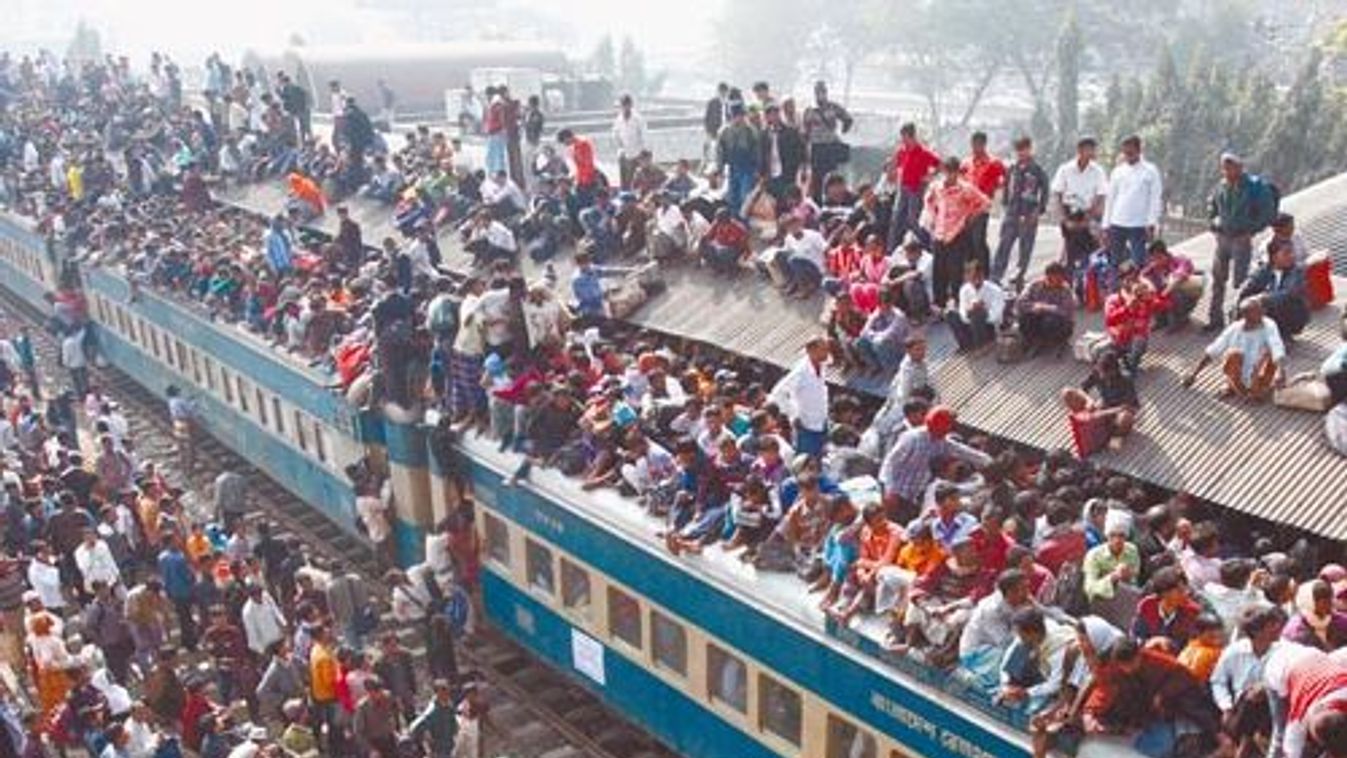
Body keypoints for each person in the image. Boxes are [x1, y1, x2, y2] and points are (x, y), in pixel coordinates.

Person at [1206, 152, 1278, 331]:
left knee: (1241, 282)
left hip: (1241, 237)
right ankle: (1215, 319)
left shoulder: (1255, 187)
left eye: (1231, 166)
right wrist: (1214, 224)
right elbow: (1212, 206)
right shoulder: (1221, 186)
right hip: (1223, 238)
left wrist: (1252, 230)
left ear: (1240, 167)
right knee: (1218, 279)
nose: (1227, 171)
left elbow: (1268, 213)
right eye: (1224, 167)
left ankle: (1239, 319)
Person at [1183, 297, 1286, 402]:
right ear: (1246, 316)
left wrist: (1281, 371)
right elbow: (1213, 350)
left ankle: (1259, 389)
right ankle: (1239, 389)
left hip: (1259, 373)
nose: (1263, 313)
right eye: (1258, 312)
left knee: (1271, 353)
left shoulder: (1269, 324)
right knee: (1233, 355)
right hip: (1238, 375)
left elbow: (1276, 346)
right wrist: (1193, 374)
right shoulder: (1234, 329)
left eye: (1262, 310)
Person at [921, 156, 991, 309]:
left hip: (957, 233)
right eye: (947, 171)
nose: (949, 175)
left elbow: (985, 202)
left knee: (955, 271)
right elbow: (928, 202)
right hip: (939, 233)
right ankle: (939, 304)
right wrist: (931, 219)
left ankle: (958, 303)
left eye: (953, 172)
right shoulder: (936, 187)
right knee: (938, 270)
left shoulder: (965, 188)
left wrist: (970, 217)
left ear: (957, 172)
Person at [992, 136, 1049, 289]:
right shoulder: (1012, 168)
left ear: (1030, 149)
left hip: (1029, 215)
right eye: (1019, 150)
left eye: (1025, 149)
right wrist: (1004, 207)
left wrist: (1038, 211)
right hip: (1011, 214)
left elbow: (1045, 191)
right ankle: (995, 276)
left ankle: (1019, 277)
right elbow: (1006, 189)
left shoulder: (1037, 170)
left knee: (1025, 249)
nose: (1022, 153)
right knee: (1004, 246)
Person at [1102, 134, 1163, 268]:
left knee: (1138, 262)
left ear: (1139, 150)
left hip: (1139, 224)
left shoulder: (1150, 171)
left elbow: (1155, 198)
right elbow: (1111, 199)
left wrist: (1152, 222)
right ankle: (1114, 287)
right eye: (1125, 151)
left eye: (1131, 151)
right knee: (1114, 262)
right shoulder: (1117, 171)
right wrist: (1106, 225)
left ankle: (1137, 288)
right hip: (1117, 222)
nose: (1128, 154)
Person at [1237, 238, 1311, 339]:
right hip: (1268, 307)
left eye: (1292, 252)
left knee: (1278, 303)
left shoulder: (1296, 271)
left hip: (1292, 313)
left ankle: (1282, 335)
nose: (1292, 256)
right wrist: (1242, 301)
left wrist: (1262, 298)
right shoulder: (1265, 269)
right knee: (1244, 304)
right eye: (1286, 253)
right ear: (1274, 256)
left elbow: (1288, 292)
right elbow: (1250, 284)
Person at [768, 337, 830, 457]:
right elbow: (777, 393)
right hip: (806, 427)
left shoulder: (821, 365)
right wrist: (794, 415)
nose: (826, 352)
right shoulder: (801, 372)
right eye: (823, 349)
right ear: (811, 351)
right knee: (805, 462)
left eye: (827, 349)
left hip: (822, 423)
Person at [1062, 349, 1139, 445]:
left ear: (1114, 370)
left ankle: (1115, 436)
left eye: (1104, 373)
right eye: (1100, 371)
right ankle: (1083, 424)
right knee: (1067, 392)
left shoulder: (1126, 380)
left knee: (1125, 417)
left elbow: (1129, 407)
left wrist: (1102, 413)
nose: (1101, 376)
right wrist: (1089, 401)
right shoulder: (1097, 371)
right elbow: (1082, 389)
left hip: (1117, 412)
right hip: (1103, 404)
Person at [887, 122, 941, 251]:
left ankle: (922, 247)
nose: (903, 140)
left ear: (911, 136)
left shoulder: (923, 152)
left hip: (916, 189)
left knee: (913, 219)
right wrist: (892, 172)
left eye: (905, 137)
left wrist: (929, 176)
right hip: (903, 187)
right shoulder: (902, 151)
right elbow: (894, 165)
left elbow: (939, 164)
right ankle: (891, 248)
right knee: (897, 217)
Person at [962, 131, 1005, 275]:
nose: (975, 147)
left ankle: (985, 272)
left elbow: (1006, 177)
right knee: (967, 241)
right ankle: (970, 273)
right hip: (966, 207)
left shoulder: (993, 163)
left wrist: (996, 188)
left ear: (984, 145)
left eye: (978, 144)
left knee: (978, 240)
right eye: (973, 144)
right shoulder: (966, 162)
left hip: (981, 207)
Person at [801, 81, 853, 201]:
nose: (821, 94)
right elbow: (805, 132)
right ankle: (817, 202)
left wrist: (843, 130)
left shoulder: (833, 107)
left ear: (826, 92)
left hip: (830, 146)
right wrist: (806, 147)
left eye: (823, 91)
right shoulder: (809, 110)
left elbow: (848, 119)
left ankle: (832, 201)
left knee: (831, 177)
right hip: (816, 147)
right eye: (818, 92)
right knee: (816, 178)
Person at [1015, 263, 1076, 355]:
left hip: (1058, 321)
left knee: (1049, 321)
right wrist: (1034, 306)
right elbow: (1020, 302)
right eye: (1055, 278)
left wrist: (1048, 308)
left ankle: (1050, 341)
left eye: (1060, 278)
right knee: (1025, 317)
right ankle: (1033, 340)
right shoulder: (1034, 285)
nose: (1059, 281)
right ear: (1048, 276)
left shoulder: (1065, 289)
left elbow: (1066, 311)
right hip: (1037, 317)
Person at [1140, 240, 1200, 329]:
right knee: (1144, 289)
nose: (1156, 261)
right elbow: (1141, 275)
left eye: (1159, 258)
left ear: (1166, 254)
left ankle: (1180, 318)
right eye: (1153, 259)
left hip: (1184, 295)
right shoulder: (1153, 266)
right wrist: (1149, 285)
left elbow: (1178, 277)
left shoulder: (1181, 260)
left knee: (1176, 289)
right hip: (1164, 298)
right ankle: (1160, 319)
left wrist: (1165, 292)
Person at [1051, 136, 1108, 226]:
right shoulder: (1065, 169)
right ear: (1079, 150)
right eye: (1088, 149)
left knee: (1090, 239)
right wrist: (1063, 218)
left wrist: (1091, 216)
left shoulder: (1098, 171)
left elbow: (1101, 195)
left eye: (1093, 149)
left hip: (1089, 213)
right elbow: (1057, 193)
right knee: (1070, 239)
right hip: (1070, 212)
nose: (1091, 152)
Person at [950, 262, 1005, 352]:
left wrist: (983, 311)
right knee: (951, 313)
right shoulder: (964, 289)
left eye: (978, 277)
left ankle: (982, 344)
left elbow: (996, 316)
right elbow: (962, 311)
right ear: (966, 277)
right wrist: (969, 312)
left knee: (978, 312)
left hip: (988, 326)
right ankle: (967, 345)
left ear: (983, 275)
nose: (976, 281)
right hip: (971, 323)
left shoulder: (995, 290)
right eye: (972, 278)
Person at [716, 103, 759, 219]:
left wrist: (757, 169)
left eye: (740, 115)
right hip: (732, 168)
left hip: (747, 168)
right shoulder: (724, 132)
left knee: (745, 197)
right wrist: (720, 171)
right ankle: (735, 222)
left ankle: (745, 224)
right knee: (732, 197)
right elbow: (720, 153)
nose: (738, 118)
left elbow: (756, 151)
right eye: (735, 115)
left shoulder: (750, 131)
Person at [759, 102, 805, 200]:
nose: (773, 117)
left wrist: (799, 168)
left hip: (787, 173)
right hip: (770, 174)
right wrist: (761, 173)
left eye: (775, 113)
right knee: (771, 200)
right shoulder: (763, 134)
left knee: (786, 199)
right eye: (770, 114)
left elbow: (800, 151)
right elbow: (761, 155)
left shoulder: (791, 132)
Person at [612, 94, 647, 190]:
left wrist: (642, 152)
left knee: (634, 180)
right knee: (624, 181)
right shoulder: (618, 119)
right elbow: (615, 134)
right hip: (623, 153)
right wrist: (620, 147)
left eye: (627, 104)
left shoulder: (638, 119)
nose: (625, 107)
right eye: (623, 105)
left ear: (631, 105)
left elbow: (644, 135)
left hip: (636, 153)